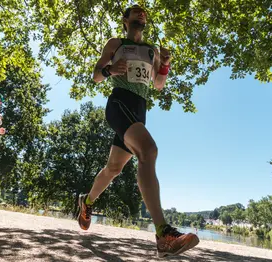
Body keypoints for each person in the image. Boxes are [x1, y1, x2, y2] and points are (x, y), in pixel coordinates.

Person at [77, 5, 199, 258]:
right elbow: (96, 76)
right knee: (149, 150)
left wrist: (164, 65)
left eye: (144, 12)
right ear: (125, 20)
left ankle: (86, 202)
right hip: (119, 102)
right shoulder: (115, 43)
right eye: (135, 11)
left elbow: (158, 85)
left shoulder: (151, 50)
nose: (141, 13)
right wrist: (110, 70)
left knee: (114, 168)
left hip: (139, 110)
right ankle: (163, 233)